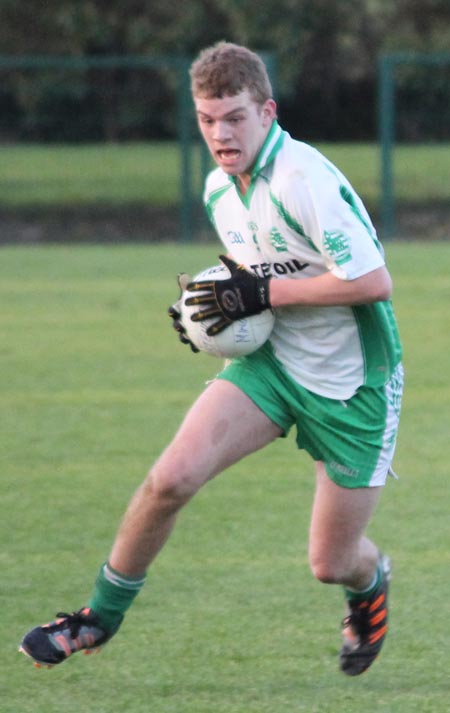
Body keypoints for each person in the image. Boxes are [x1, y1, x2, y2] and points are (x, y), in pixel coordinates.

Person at [19, 42, 403, 677]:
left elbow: (373, 282)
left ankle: (370, 584)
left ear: (267, 112)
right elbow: (255, 279)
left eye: (234, 117)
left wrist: (263, 292)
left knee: (331, 563)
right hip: (273, 366)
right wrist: (213, 318)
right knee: (171, 478)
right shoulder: (218, 190)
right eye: (206, 119)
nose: (220, 133)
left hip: (352, 384)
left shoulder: (303, 179)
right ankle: (97, 617)